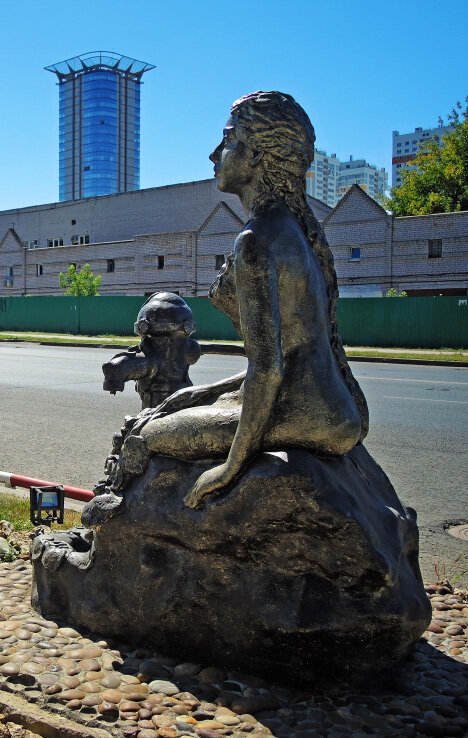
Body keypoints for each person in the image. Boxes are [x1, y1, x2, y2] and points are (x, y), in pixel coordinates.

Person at [113, 91, 369, 509]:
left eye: (228, 140)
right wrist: (195, 394)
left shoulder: (257, 240)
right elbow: (291, 357)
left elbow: (268, 369)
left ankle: (136, 517)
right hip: (331, 409)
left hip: (302, 412)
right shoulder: (295, 230)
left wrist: (229, 469)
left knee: (150, 433)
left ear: (255, 156)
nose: (214, 154)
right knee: (177, 406)